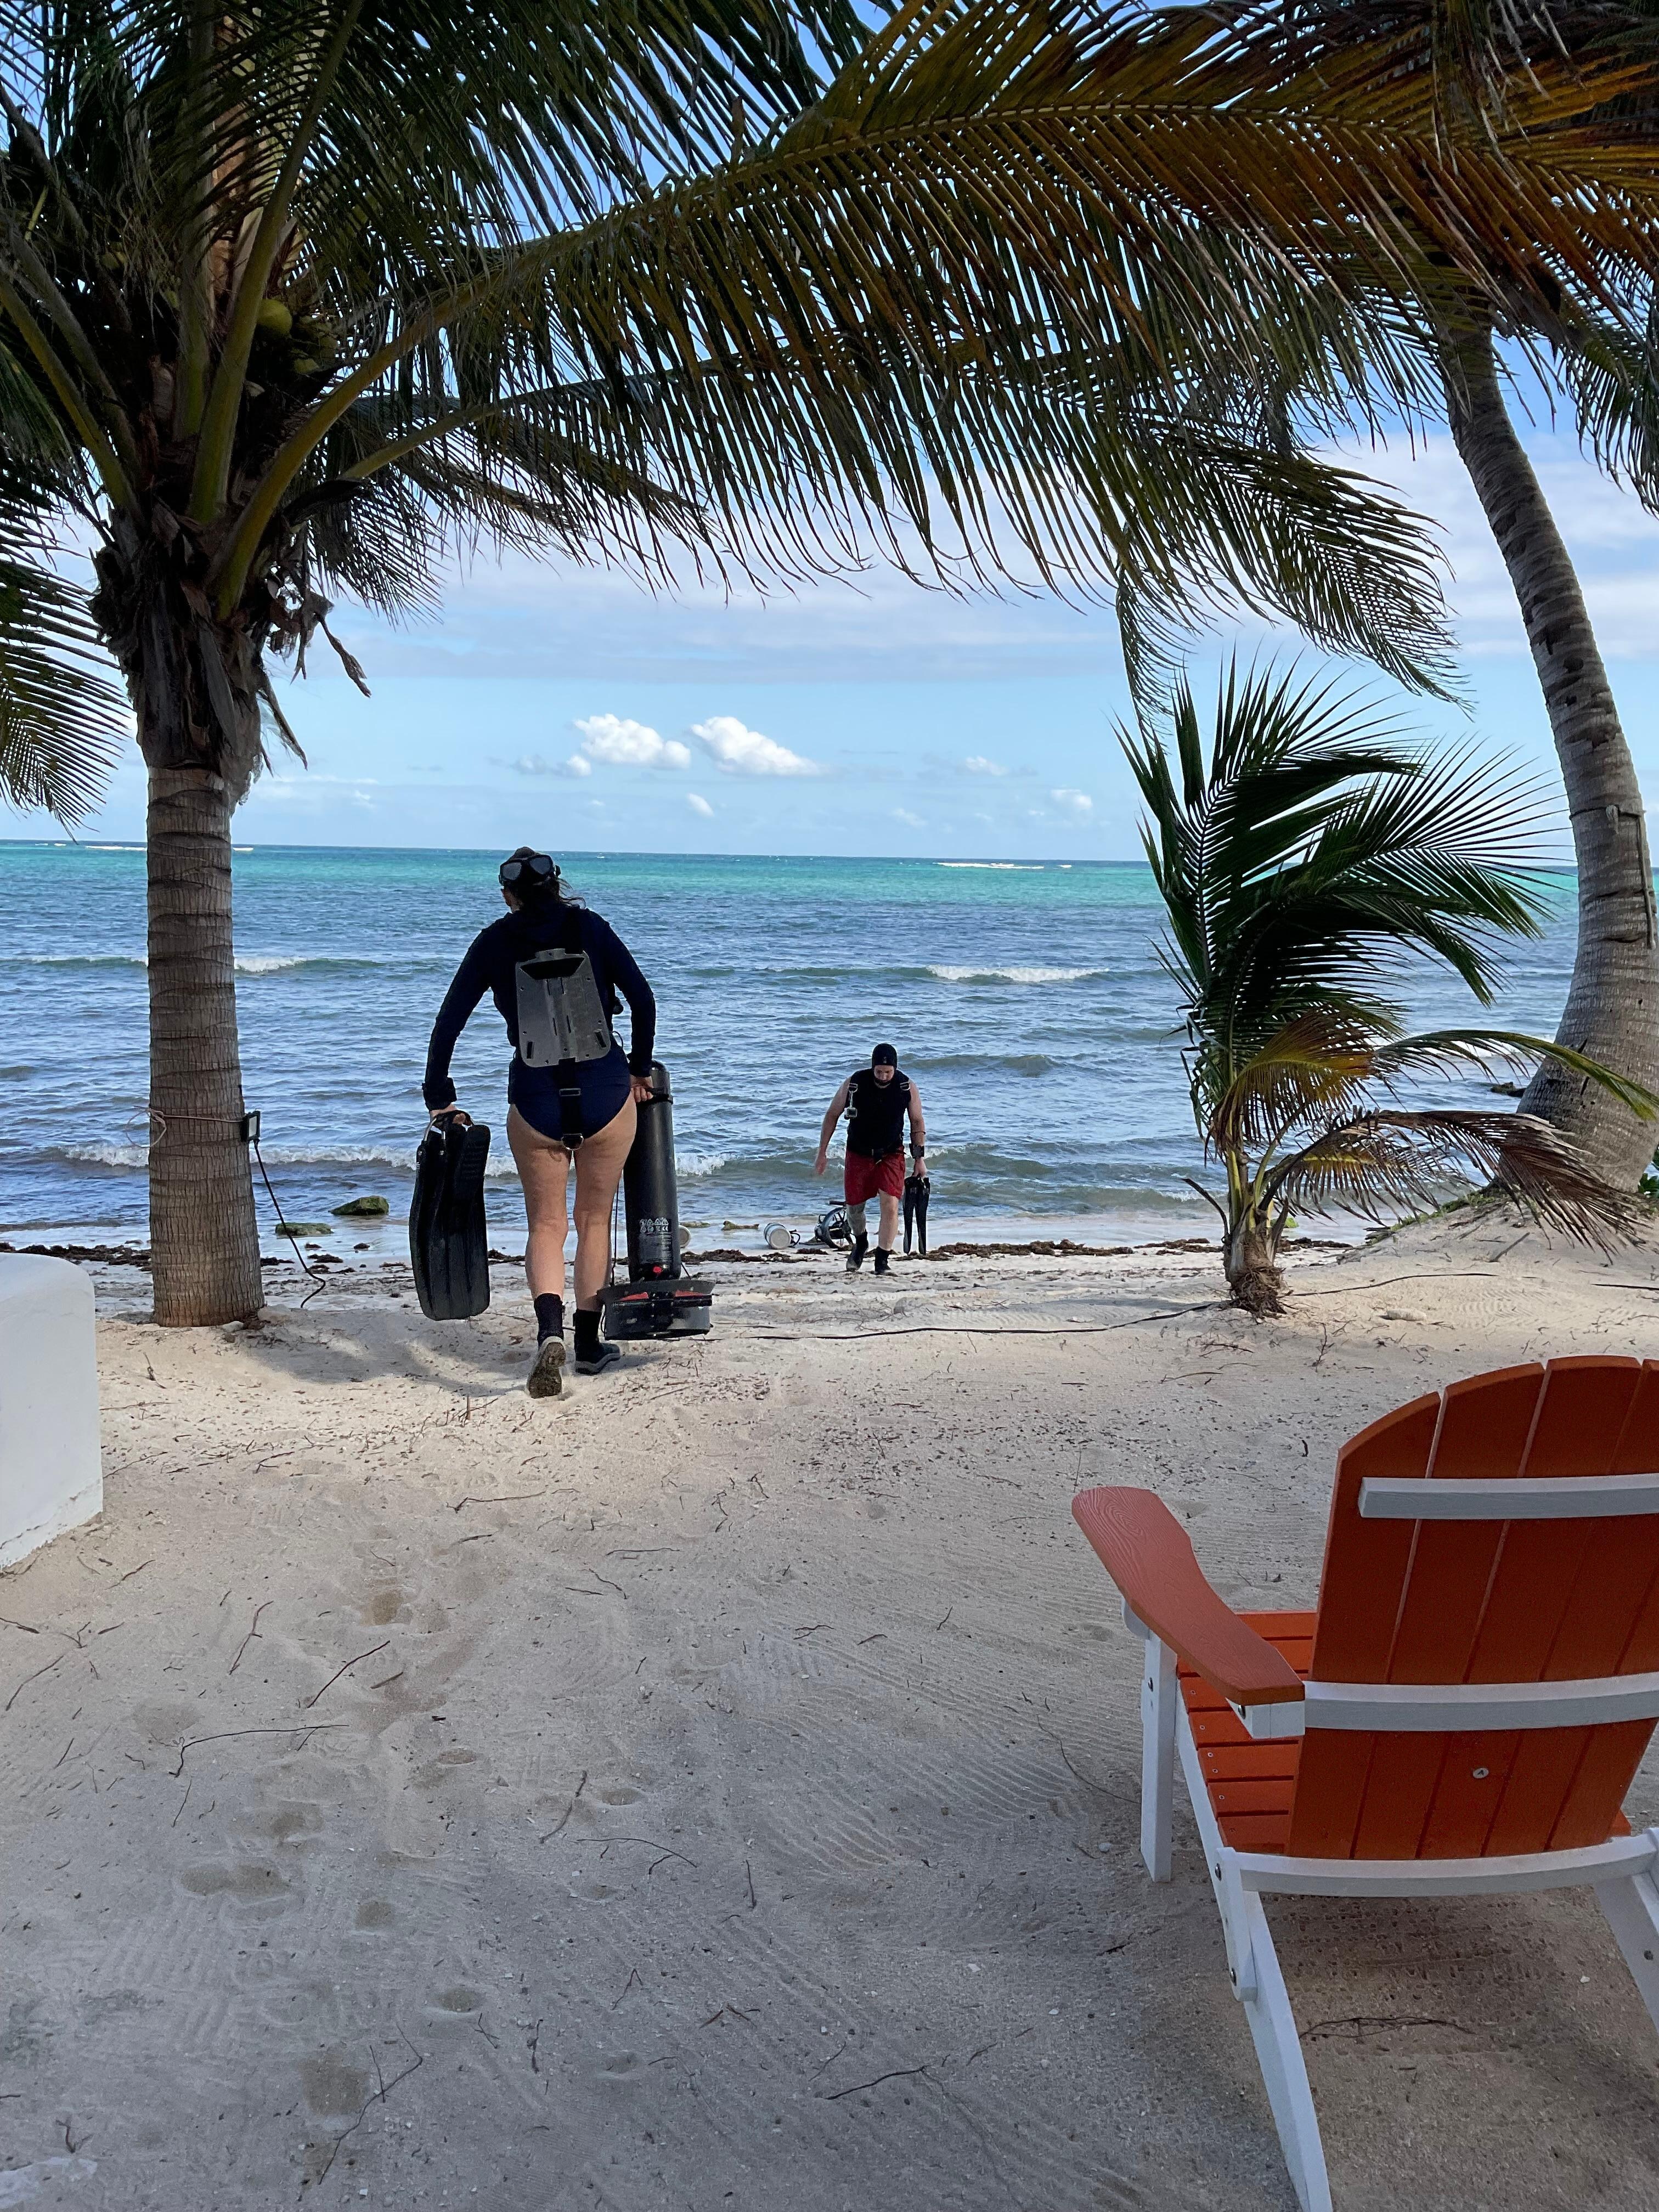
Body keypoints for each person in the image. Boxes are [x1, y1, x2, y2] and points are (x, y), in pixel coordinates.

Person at [422, 849, 656, 1396]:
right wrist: (640, 1069)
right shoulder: (590, 927)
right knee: (594, 1220)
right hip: (604, 1094)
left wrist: (439, 1095)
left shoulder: (494, 941)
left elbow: (449, 1022)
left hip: (535, 1101)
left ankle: (549, 1334)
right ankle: (590, 1343)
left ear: (509, 895)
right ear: (559, 885)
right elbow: (642, 1000)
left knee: (547, 1227)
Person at [814, 1044, 926, 1275]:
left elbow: (917, 1122)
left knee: (891, 1204)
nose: (884, 1077)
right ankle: (861, 1243)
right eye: (879, 1071)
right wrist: (822, 1152)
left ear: (895, 1068)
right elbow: (832, 1115)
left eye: (888, 1072)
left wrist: (919, 1159)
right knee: (855, 1209)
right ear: (872, 1066)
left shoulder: (906, 1086)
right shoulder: (854, 1084)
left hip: (891, 1153)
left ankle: (882, 1260)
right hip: (858, 1152)